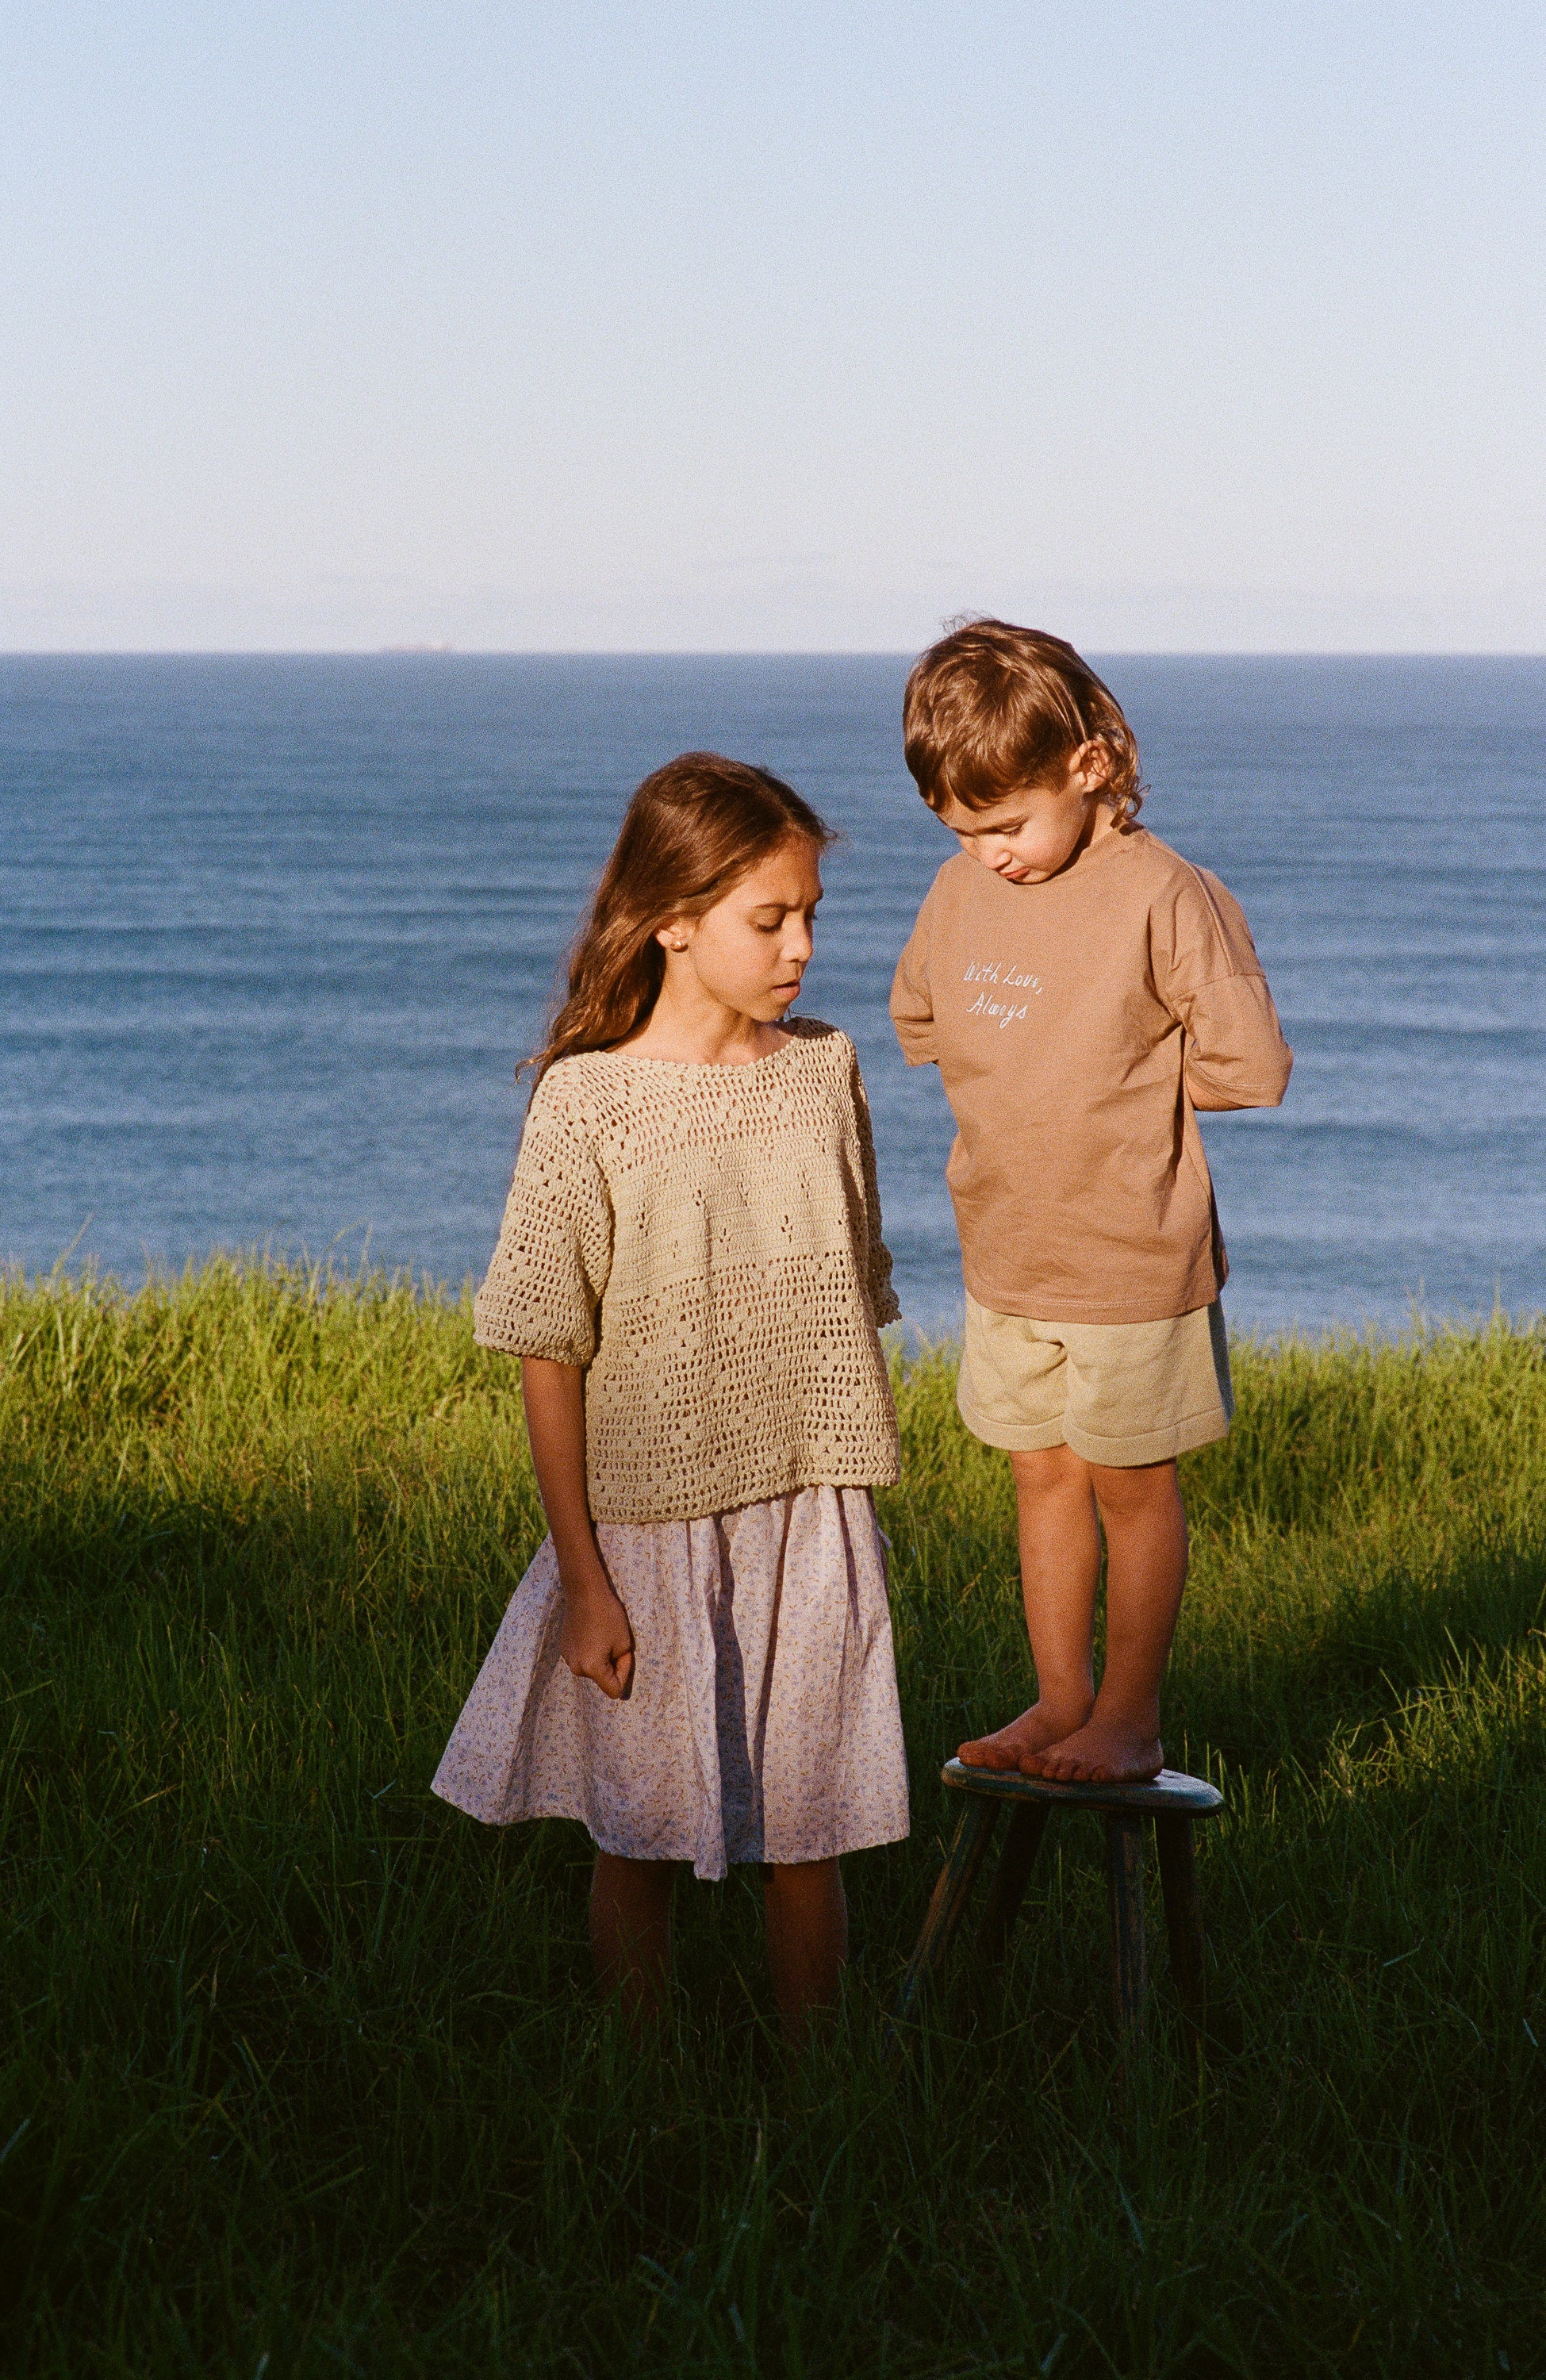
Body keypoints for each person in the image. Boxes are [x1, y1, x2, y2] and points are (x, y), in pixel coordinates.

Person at [433, 751, 908, 2036]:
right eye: (772, 918)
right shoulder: (588, 1103)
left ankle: (826, 2099)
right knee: (638, 1829)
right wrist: (583, 1578)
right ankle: (634, 2090)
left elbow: (850, 1289)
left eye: (812, 913)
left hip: (811, 1508)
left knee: (813, 1829)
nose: (802, 944)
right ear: (674, 919)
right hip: (643, 1525)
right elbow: (546, 1347)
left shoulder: (824, 1069)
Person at [890, 620, 1291, 1784]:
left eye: (1006, 826)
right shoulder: (958, 891)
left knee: (1128, 1483)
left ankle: (1128, 1714)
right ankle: (1059, 1696)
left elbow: (1248, 1067)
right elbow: (922, 1020)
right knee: (1040, 1475)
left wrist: (1112, 1087)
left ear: (1091, 762)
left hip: (1130, 1258)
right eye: (961, 834)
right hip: (1006, 1252)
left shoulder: (1167, 893)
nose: (990, 856)